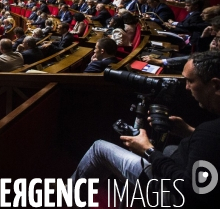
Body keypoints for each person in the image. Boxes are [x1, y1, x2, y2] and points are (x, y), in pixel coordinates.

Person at [72, 51, 220, 208]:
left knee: (99, 149)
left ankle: (69, 195)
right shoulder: (208, 133)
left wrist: (148, 151)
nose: (186, 87)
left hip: (175, 195)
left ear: (215, 85)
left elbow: (190, 191)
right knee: (170, 149)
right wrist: (190, 132)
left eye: (190, 81)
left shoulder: (209, 132)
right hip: (194, 177)